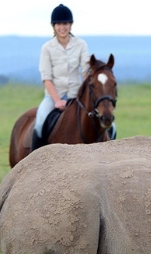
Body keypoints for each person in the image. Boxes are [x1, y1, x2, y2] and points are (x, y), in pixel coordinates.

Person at [33, 4, 115, 150]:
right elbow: (47, 78)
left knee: (112, 126)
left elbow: (86, 71)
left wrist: (84, 92)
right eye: (58, 24)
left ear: (70, 25)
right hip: (53, 97)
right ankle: (35, 160)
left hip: (75, 95)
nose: (62, 27)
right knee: (39, 124)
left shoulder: (81, 44)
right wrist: (57, 101)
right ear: (54, 26)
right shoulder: (47, 48)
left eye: (65, 23)